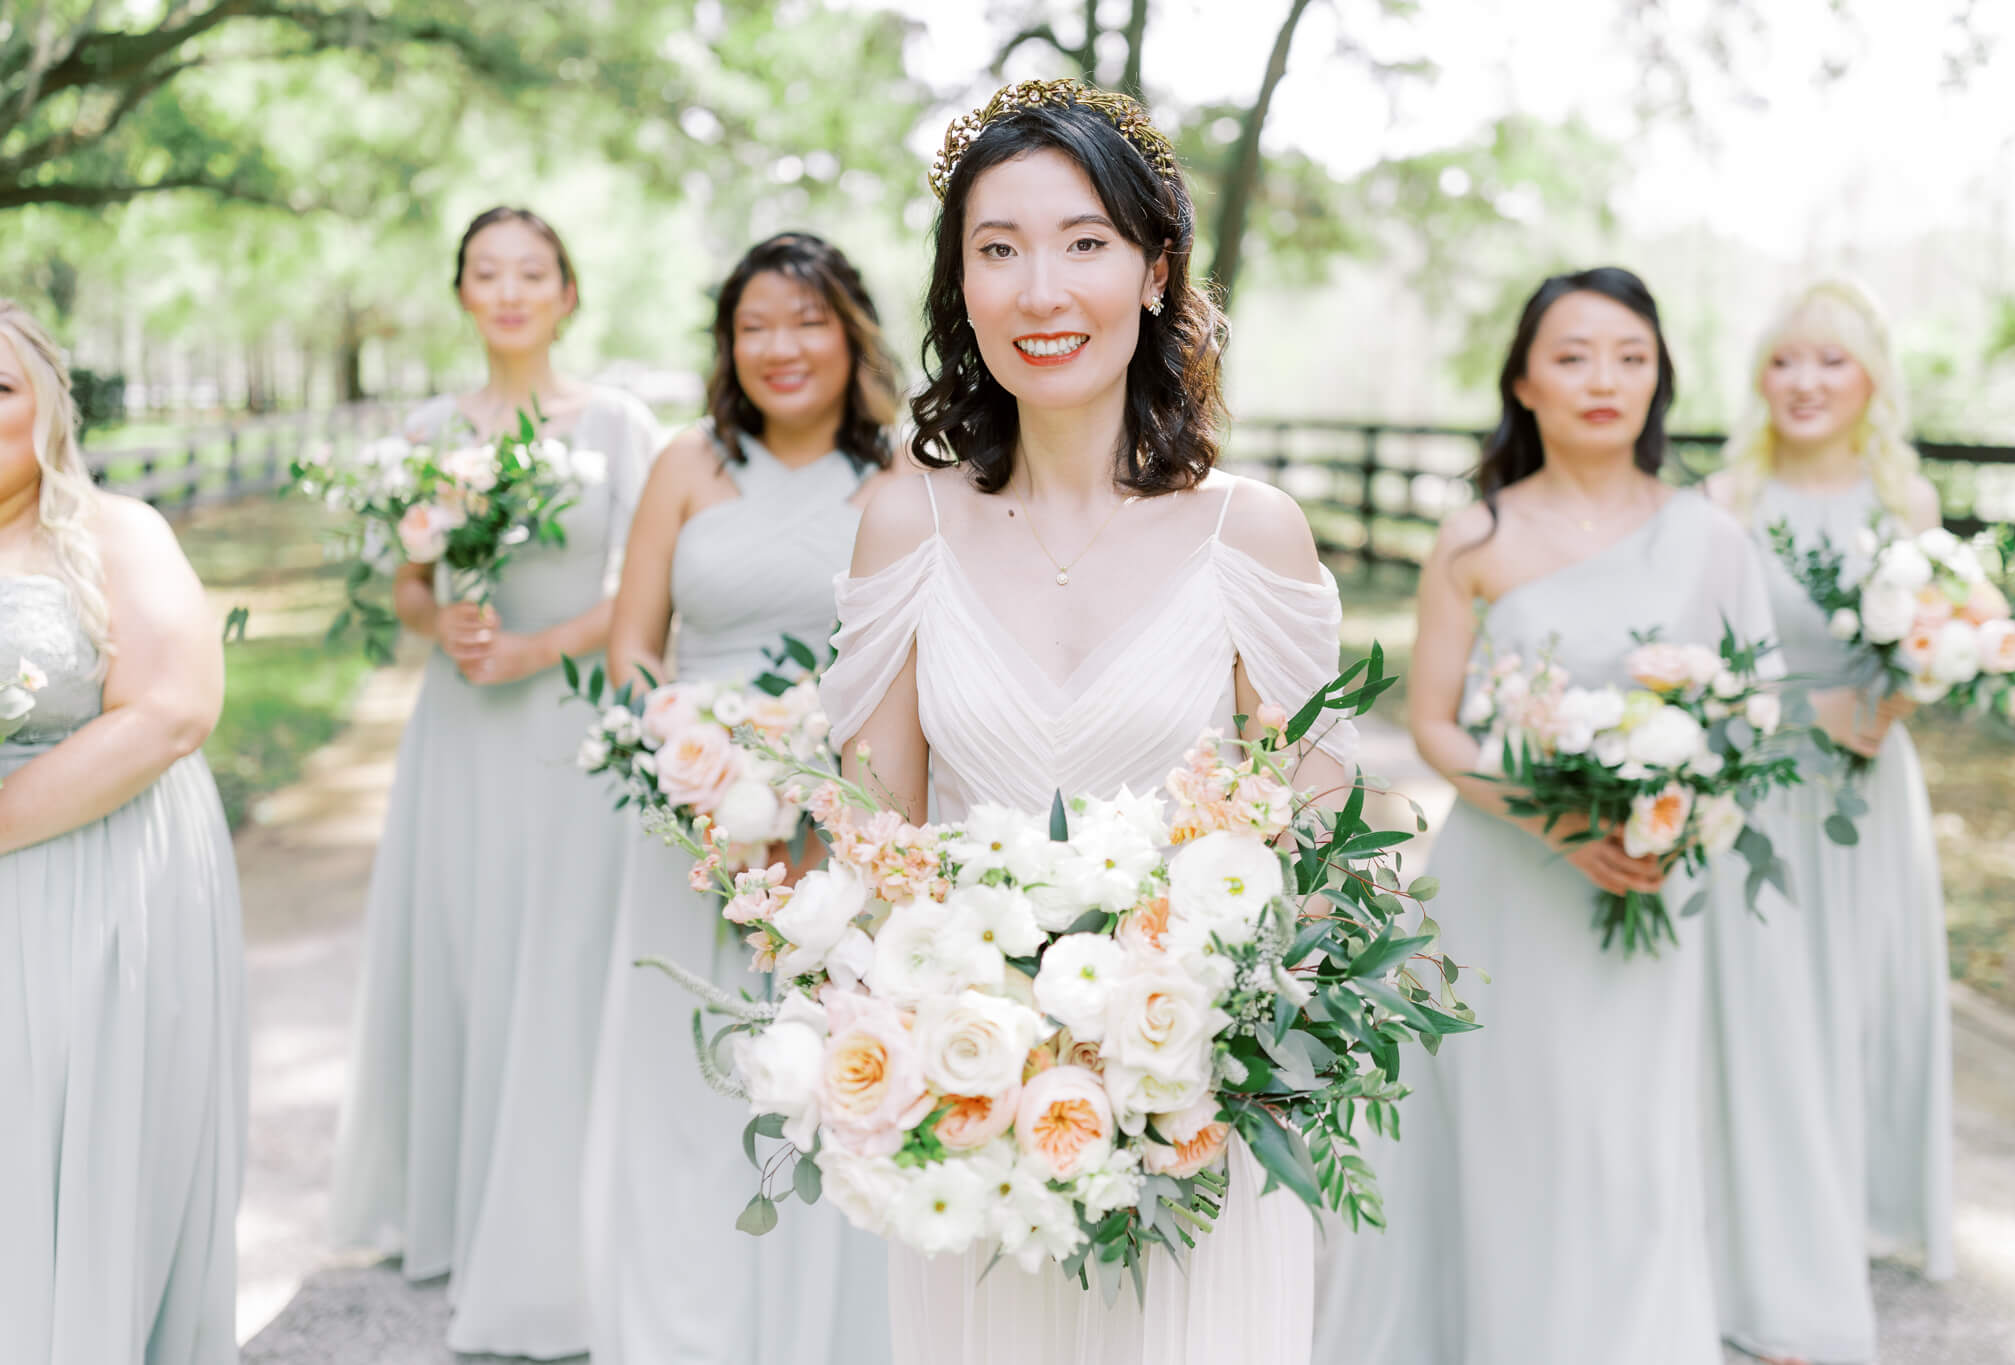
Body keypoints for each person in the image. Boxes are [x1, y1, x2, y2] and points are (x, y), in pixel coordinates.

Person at [820, 80, 1360, 1365]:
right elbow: (871, 838)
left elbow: (1320, 848)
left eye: (1082, 243)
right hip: (975, 1117)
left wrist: (1185, 1039)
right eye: (995, 250)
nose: (1038, 291)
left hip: (1193, 1127)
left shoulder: (1252, 534)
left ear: (1155, 271)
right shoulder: (907, 518)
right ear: (961, 290)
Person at [1315, 268, 1777, 1365]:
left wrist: (1664, 813)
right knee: (1514, 1136)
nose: (1602, 379)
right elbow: (1434, 724)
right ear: (1523, 381)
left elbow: (1749, 711)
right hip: (1503, 884)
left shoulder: (1710, 536)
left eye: (1628, 353)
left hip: (1647, 885)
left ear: (1658, 373)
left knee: (1626, 1144)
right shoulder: (1474, 537)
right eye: (1570, 356)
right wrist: (1550, 818)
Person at [328, 205, 663, 1358]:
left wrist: (536, 647)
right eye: (487, 272)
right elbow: (407, 584)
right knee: (466, 947)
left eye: (533, 272)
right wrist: (447, 624)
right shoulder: (429, 425)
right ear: (462, 293)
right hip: (461, 727)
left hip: (568, 721)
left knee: (561, 950)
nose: (510, 291)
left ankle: (564, 1215)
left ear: (568, 292)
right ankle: (460, 1210)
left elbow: (649, 592)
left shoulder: (618, 425)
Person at [584, 231, 902, 1365]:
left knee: (837, 1077)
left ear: (851, 332)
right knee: (688, 1080)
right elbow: (631, 648)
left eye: (806, 320)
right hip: (692, 823)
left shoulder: (907, 475)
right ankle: (680, 1333)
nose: (781, 346)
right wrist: (685, 759)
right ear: (728, 345)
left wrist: (825, 800)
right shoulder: (685, 464)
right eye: (754, 325)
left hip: (848, 832)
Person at [1698, 277, 1953, 1364]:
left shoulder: (1909, 509)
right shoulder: (1723, 501)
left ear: (1868, 381)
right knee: (1758, 1019)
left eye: (1830, 362)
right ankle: (1751, 1247)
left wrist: (1883, 703)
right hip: (1749, 793)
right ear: (1759, 379)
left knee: (1852, 1009)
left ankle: (1834, 1226)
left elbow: (1942, 648)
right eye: (1784, 360)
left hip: (1857, 793)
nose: (1803, 382)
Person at [0, 298, 246, 1363]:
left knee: (71, 1152)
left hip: (93, 884)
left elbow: (174, 710)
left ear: (51, 404)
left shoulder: (118, 533)